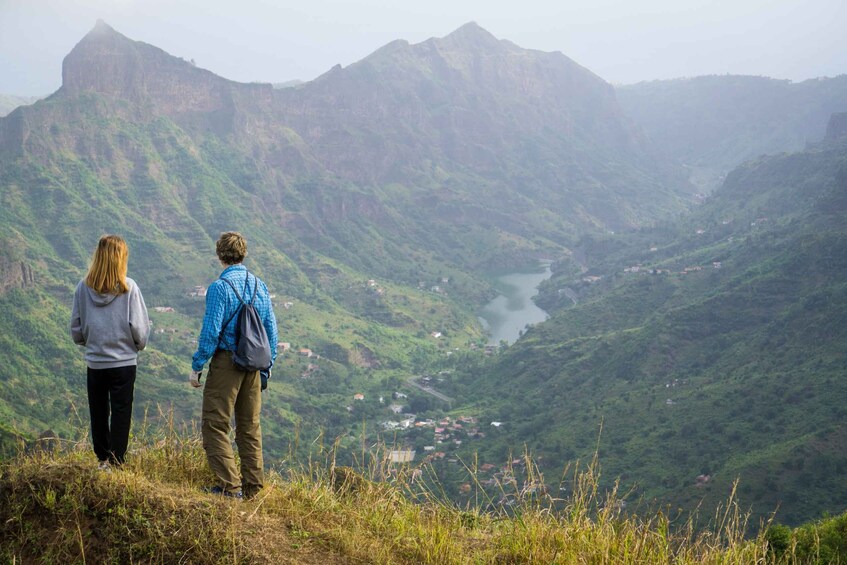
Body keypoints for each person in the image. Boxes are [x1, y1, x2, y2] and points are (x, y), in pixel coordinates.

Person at [190, 231, 277, 499]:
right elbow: (271, 329)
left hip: (228, 362)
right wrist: (267, 365)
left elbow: (211, 331)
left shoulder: (219, 288)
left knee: (215, 424)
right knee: (249, 427)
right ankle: (253, 488)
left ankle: (229, 487)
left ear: (220, 255)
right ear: (243, 253)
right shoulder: (258, 285)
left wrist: (198, 365)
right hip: (253, 364)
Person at [71, 234, 150, 470]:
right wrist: (136, 346)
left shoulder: (83, 288)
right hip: (124, 362)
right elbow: (140, 329)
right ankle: (117, 462)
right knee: (121, 411)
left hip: (96, 362)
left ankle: (102, 458)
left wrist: (91, 342)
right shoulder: (129, 287)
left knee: (98, 410)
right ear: (121, 258)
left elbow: (76, 328)